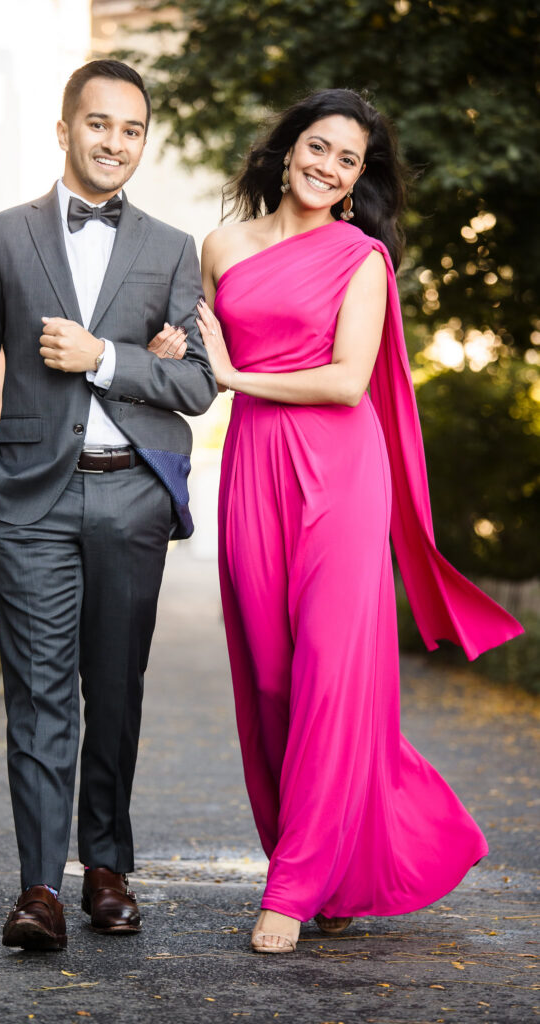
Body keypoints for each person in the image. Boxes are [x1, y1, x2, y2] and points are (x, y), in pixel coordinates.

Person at [196, 89, 523, 954]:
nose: (327, 166)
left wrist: (233, 376)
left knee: (331, 679)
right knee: (269, 683)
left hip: (341, 473)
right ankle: (329, 864)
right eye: (317, 146)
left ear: (356, 180)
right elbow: (203, 362)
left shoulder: (362, 259)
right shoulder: (220, 247)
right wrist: (185, 360)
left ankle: (292, 890)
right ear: (286, 149)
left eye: (347, 159)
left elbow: (345, 381)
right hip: (252, 470)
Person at [0, 59, 216, 950]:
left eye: (132, 130)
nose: (115, 143)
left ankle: (106, 867)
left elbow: (194, 383)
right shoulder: (1, 236)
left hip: (131, 496)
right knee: (39, 696)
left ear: (144, 140)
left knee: (115, 691)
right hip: (28, 501)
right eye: (99, 125)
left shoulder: (173, 248)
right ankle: (37, 889)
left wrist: (106, 357)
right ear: (65, 131)